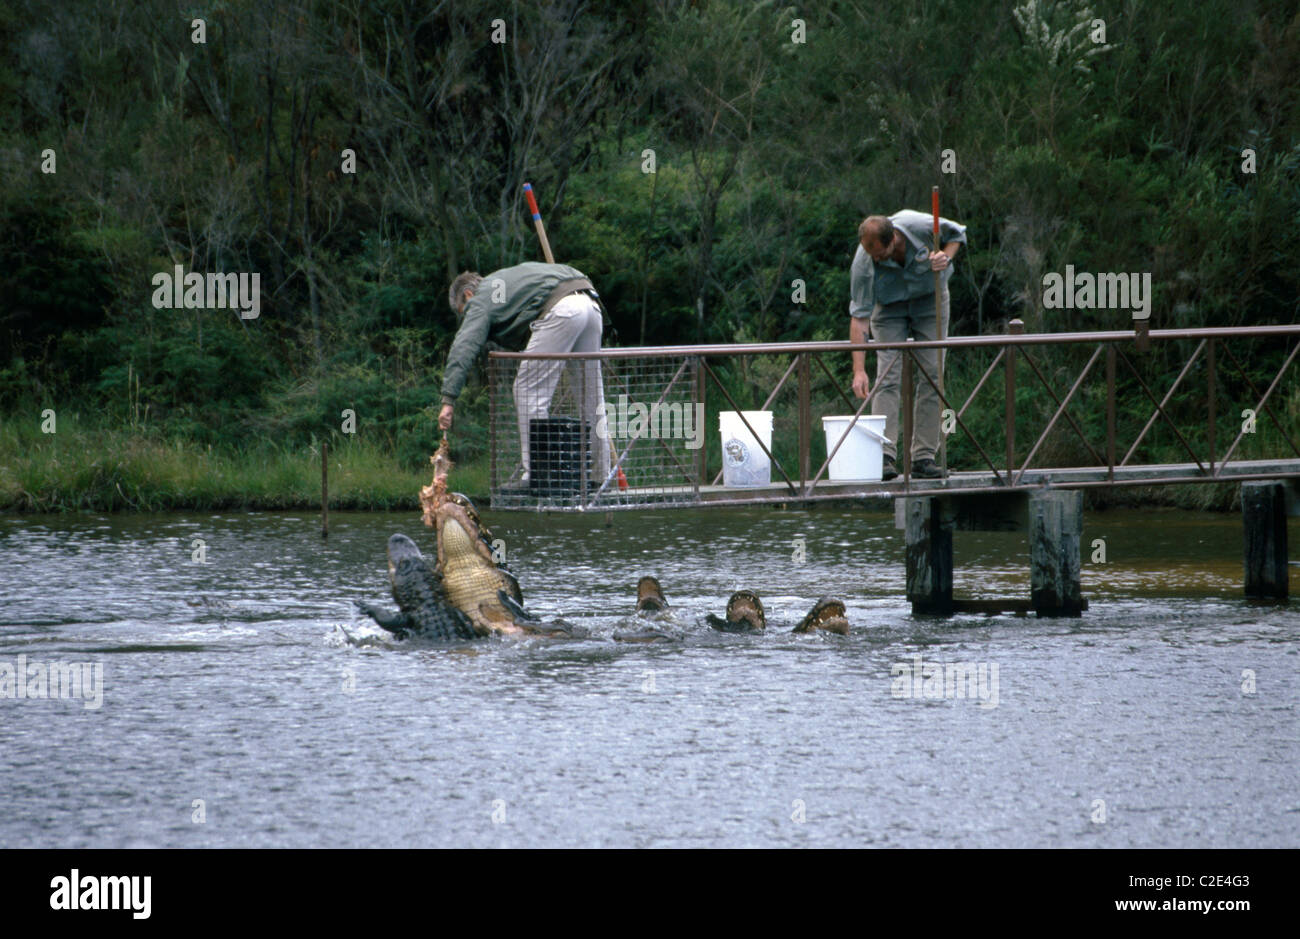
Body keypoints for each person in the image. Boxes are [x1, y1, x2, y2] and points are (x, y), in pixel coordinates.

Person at [439, 262, 610, 484]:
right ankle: (601, 476)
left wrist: (448, 399)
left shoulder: (480, 299)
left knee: (527, 389)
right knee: (592, 397)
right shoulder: (504, 283)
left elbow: (464, 345)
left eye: (465, 312)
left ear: (468, 294)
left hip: (563, 310)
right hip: (590, 303)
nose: (468, 317)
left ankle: (536, 475)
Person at [849, 210, 967, 479]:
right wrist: (858, 370)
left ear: (894, 239)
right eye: (871, 255)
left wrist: (945, 256)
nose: (876, 259)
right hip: (889, 308)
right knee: (888, 376)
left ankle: (924, 458)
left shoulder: (920, 225)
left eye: (880, 254)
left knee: (932, 374)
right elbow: (859, 319)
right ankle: (884, 456)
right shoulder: (863, 264)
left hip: (930, 299)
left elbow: (958, 233)